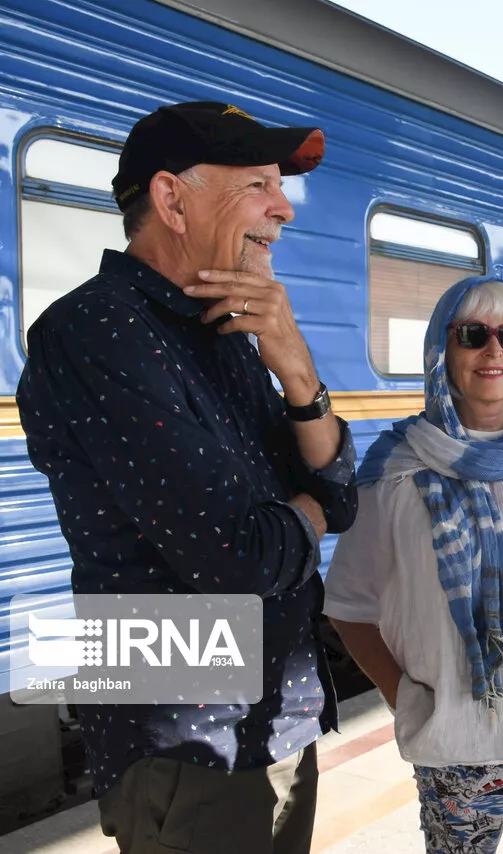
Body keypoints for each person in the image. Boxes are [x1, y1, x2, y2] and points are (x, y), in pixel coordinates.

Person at [16, 101, 356, 852]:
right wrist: (310, 507)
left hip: (276, 716)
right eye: (260, 184)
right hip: (188, 738)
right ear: (171, 199)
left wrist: (297, 367)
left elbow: (340, 493)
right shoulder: (96, 332)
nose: (283, 209)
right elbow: (241, 556)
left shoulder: (231, 326)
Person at [324, 276, 503, 854]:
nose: (495, 351)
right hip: (457, 740)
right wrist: (407, 699)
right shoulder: (397, 471)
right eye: (472, 335)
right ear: (442, 349)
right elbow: (348, 606)